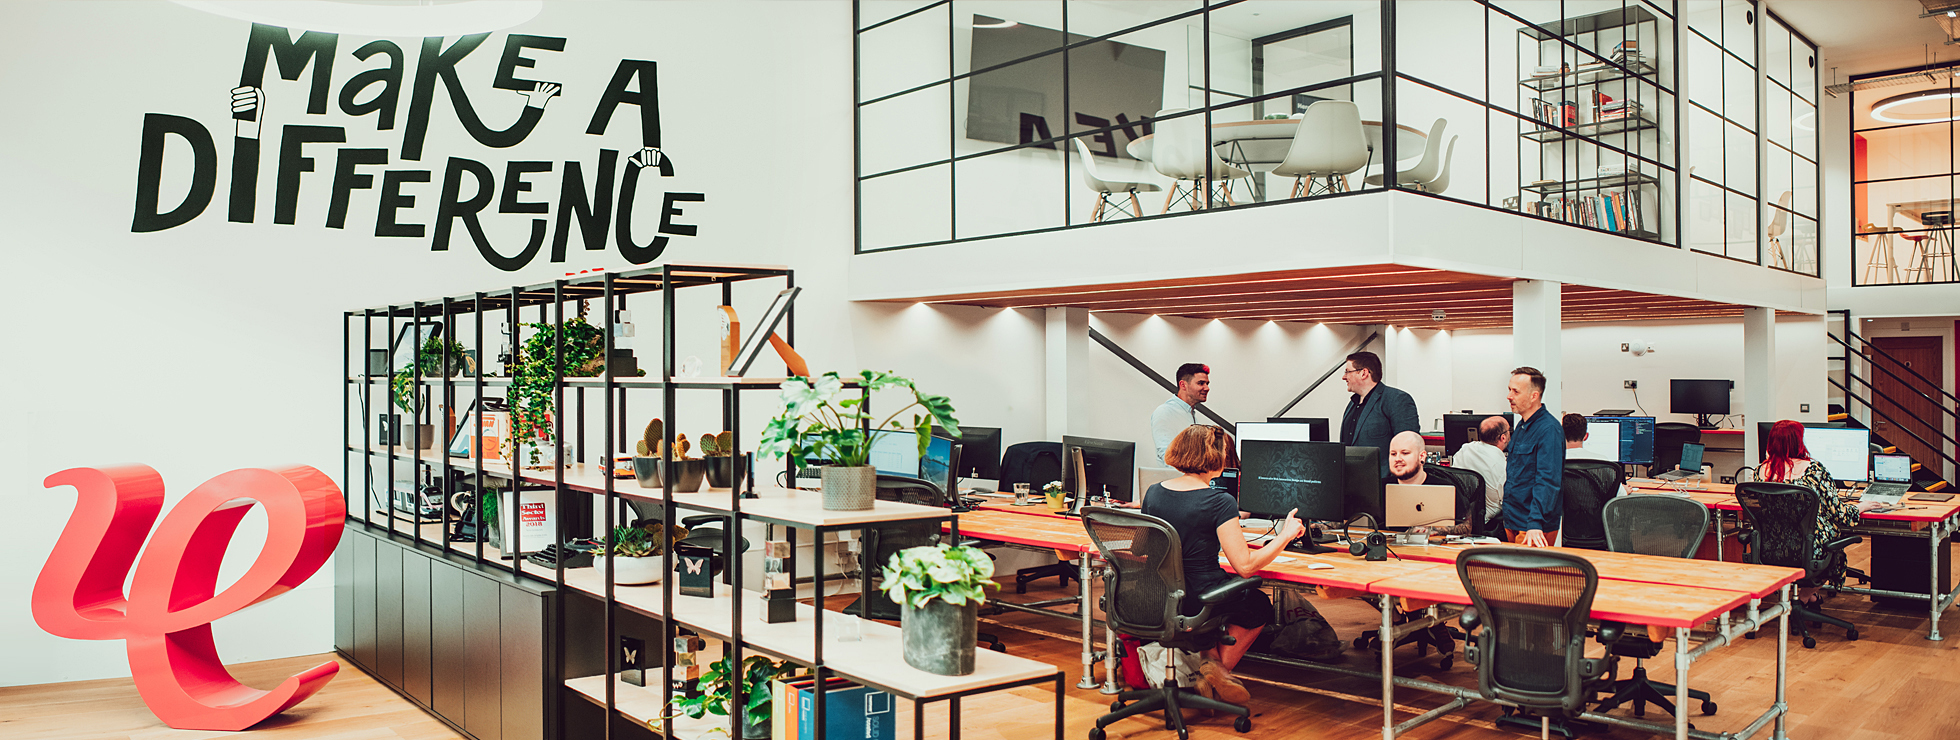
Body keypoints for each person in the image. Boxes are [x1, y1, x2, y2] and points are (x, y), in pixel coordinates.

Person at [1143, 425, 1305, 705]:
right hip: (1200, 599)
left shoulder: (1154, 492)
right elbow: (1245, 566)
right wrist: (1285, 536)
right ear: (1217, 458)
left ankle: (1209, 664)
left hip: (1158, 596)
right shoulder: (1218, 501)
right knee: (1256, 603)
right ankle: (1214, 674)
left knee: (1225, 598)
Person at [1760, 419, 1880, 604]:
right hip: (1809, 547)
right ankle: (1804, 597)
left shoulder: (1760, 471)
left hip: (1771, 547)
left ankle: (1799, 598)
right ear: (1799, 441)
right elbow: (1841, 514)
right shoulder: (1814, 471)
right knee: (1832, 548)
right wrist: (1861, 506)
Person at [1501, 367, 1563, 547]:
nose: (1509, 396)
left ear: (1534, 396)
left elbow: (1548, 480)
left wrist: (1536, 522)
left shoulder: (1548, 430)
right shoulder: (1522, 426)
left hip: (1533, 525)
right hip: (1513, 519)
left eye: (1516, 391)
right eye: (1509, 389)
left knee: (1530, 575)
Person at [1337, 351, 1419, 478]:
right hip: (1351, 483)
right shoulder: (1352, 404)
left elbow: (1408, 446)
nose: (1344, 377)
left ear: (1364, 373)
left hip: (1383, 484)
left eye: (1347, 371)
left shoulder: (1396, 399)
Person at [1451, 416, 1509, 527]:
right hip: (1488, 520)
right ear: (1503, 438)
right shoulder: (1501, 465)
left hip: (1460, 515)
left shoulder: (1464, 449)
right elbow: (1505, 498)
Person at [1151, 363, 1209, 464]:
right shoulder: (1165, 412)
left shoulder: (1190, 414)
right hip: (1175, 479)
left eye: (1207, 384)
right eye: (1201, 383)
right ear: (1183, 385)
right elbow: (1167, 456)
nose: (1207, 388)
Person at [1561, 413, 1628, 497]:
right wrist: (1624, 490)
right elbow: (1621, 495)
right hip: (1595, 510)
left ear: (1562, 435)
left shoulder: (1555, 460)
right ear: (1586, 436)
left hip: (1564, 510)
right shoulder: (1603, 462)